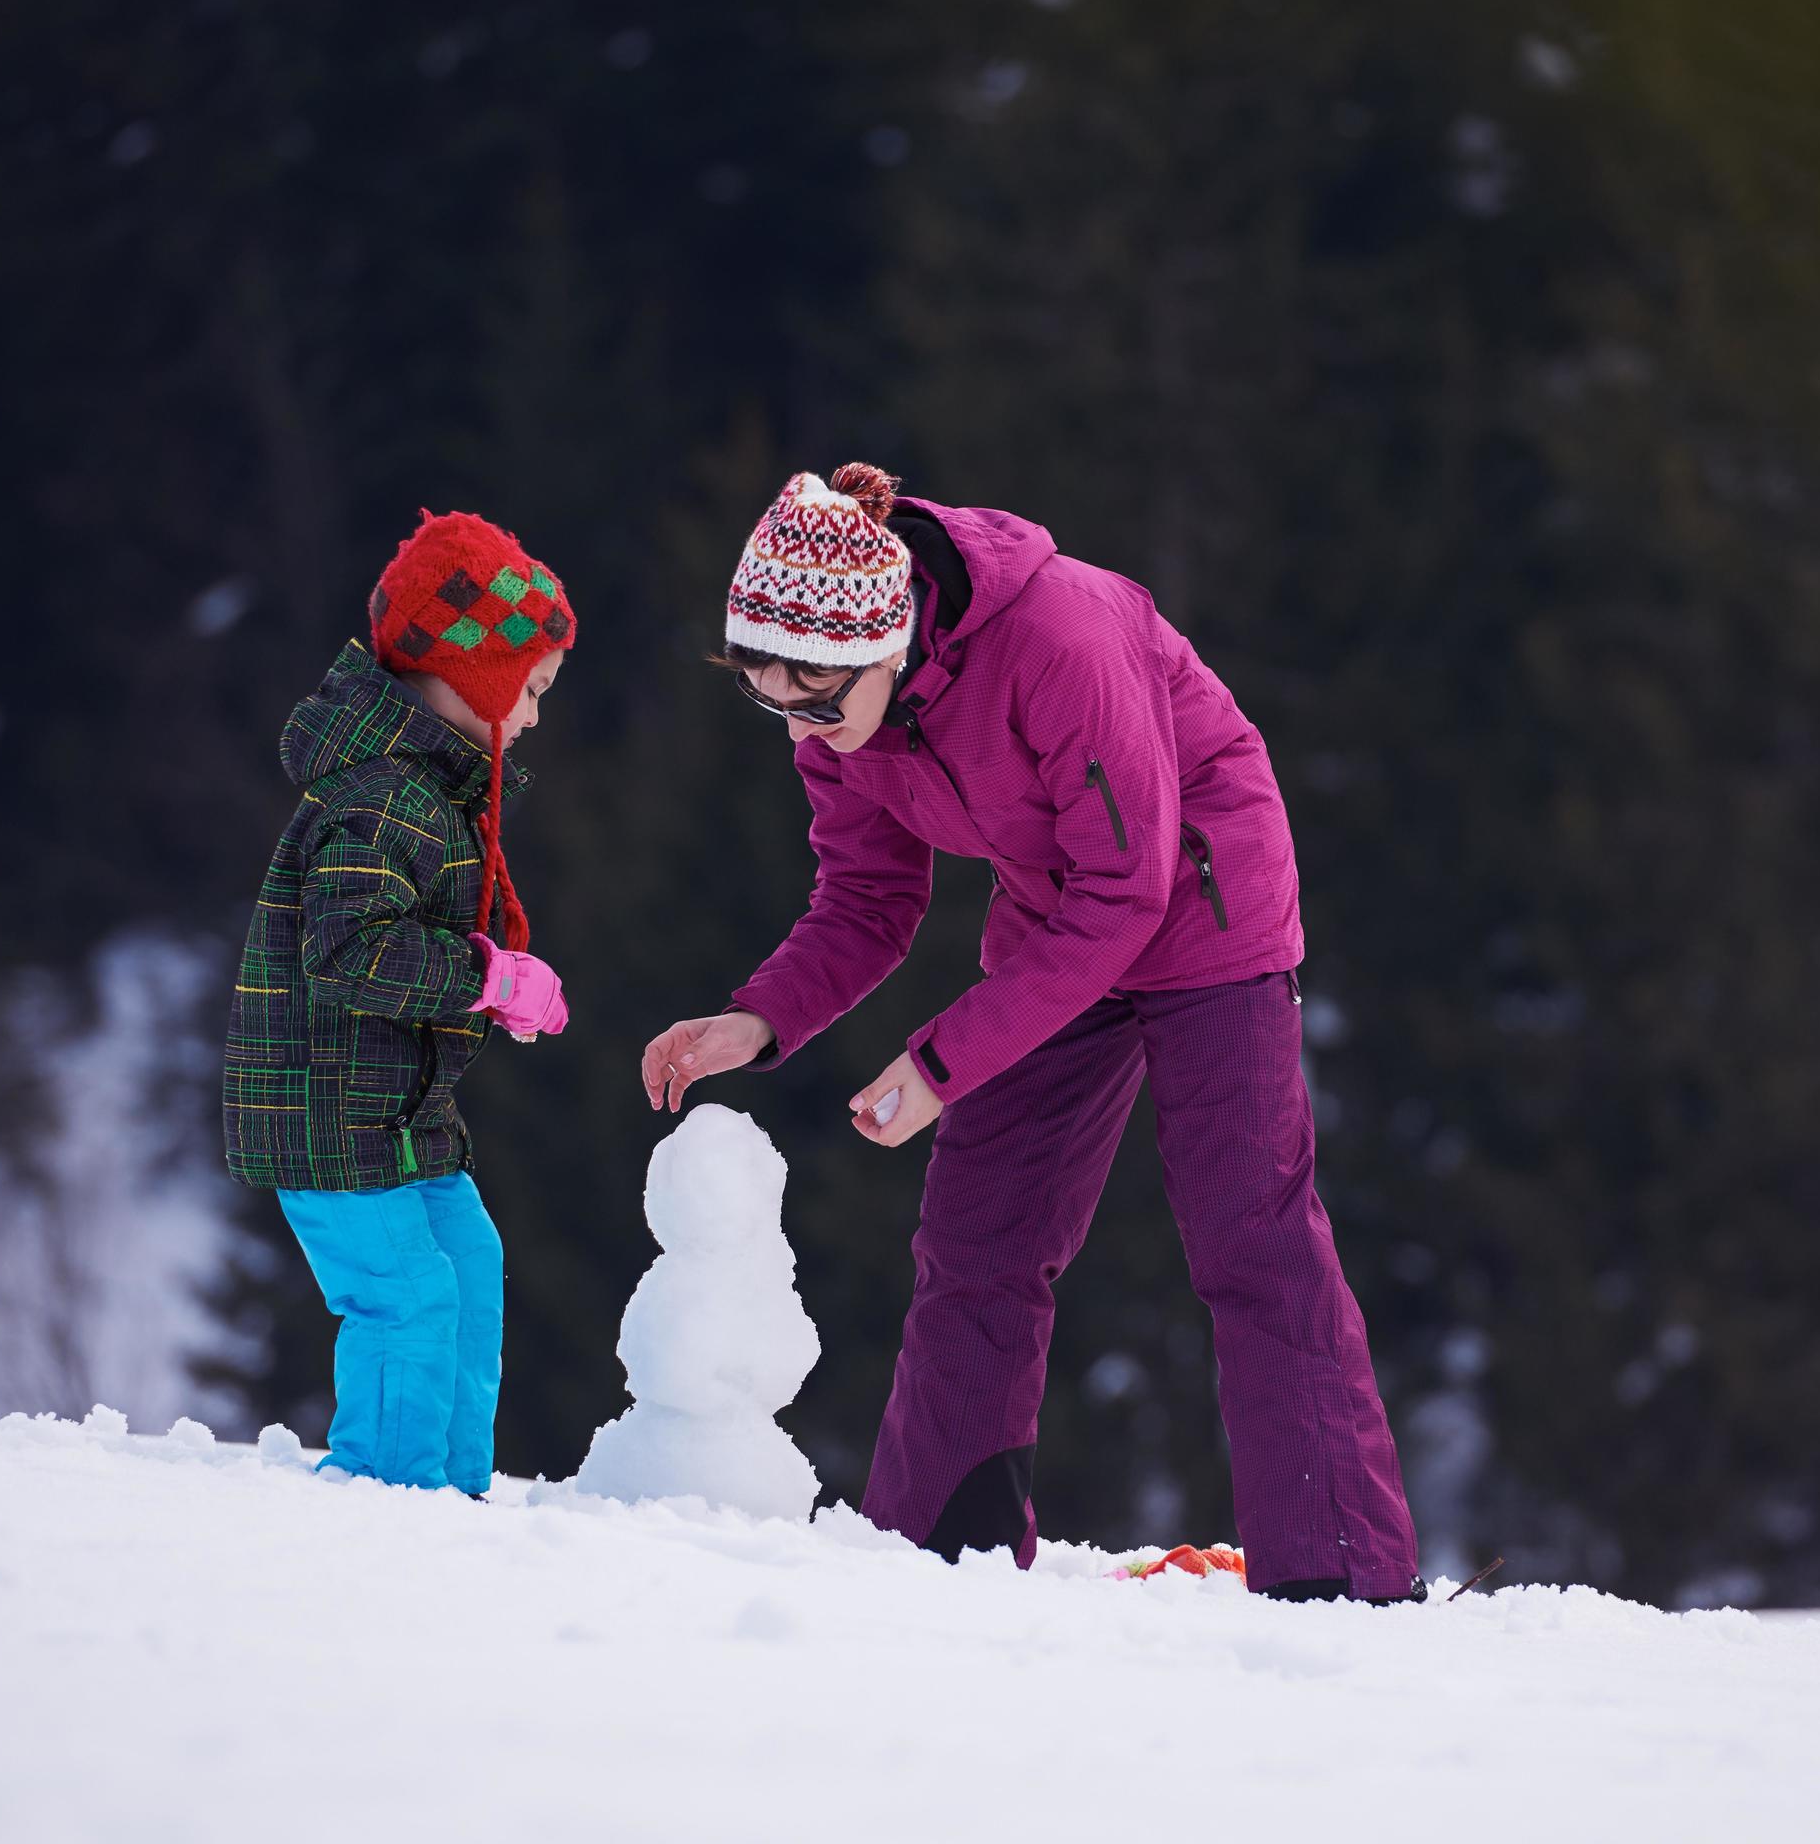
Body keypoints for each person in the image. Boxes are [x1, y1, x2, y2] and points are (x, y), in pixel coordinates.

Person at [640, 466, 1420, 1600]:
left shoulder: (1059, 636)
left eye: (815, 701)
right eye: (775, 704)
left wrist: (940, 1062)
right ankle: (940, 1551)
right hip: (1065, 923)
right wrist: (757, 1021)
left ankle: (1343, 1574)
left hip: (1204, 905)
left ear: (888, 635)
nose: (805, 730)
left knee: (1249, 1236)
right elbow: (867, 900)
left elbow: (1130, 887)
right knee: (978, 1233)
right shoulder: (844, 713)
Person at [222, 510, 575, 1495]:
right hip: (330, 1115)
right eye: (534, 691)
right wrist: (486, 976)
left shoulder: (428, 790)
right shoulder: (379, 799)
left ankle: (449, 1495)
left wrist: (489, 988)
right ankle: (385, 1499)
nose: (538, 718)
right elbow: (347, 949)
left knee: (468, 1266)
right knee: (408, 1299)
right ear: (475, 675)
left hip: (399, 1113)